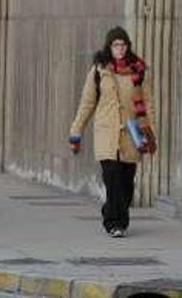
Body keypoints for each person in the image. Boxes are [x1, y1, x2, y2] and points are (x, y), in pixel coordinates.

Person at [69, 26, 155, 238]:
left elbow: (148, 103)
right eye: (116, 44)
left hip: (130, 134)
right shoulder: (99, 71)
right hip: (106, 134)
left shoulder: (139, 70)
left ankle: (112, 211)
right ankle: (115, 223)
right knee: (112, 177)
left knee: (126, 182)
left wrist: (150, 132)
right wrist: (76, 130)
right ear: (110, 46)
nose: (120, 48)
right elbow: (87, 103)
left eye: (123, 44)